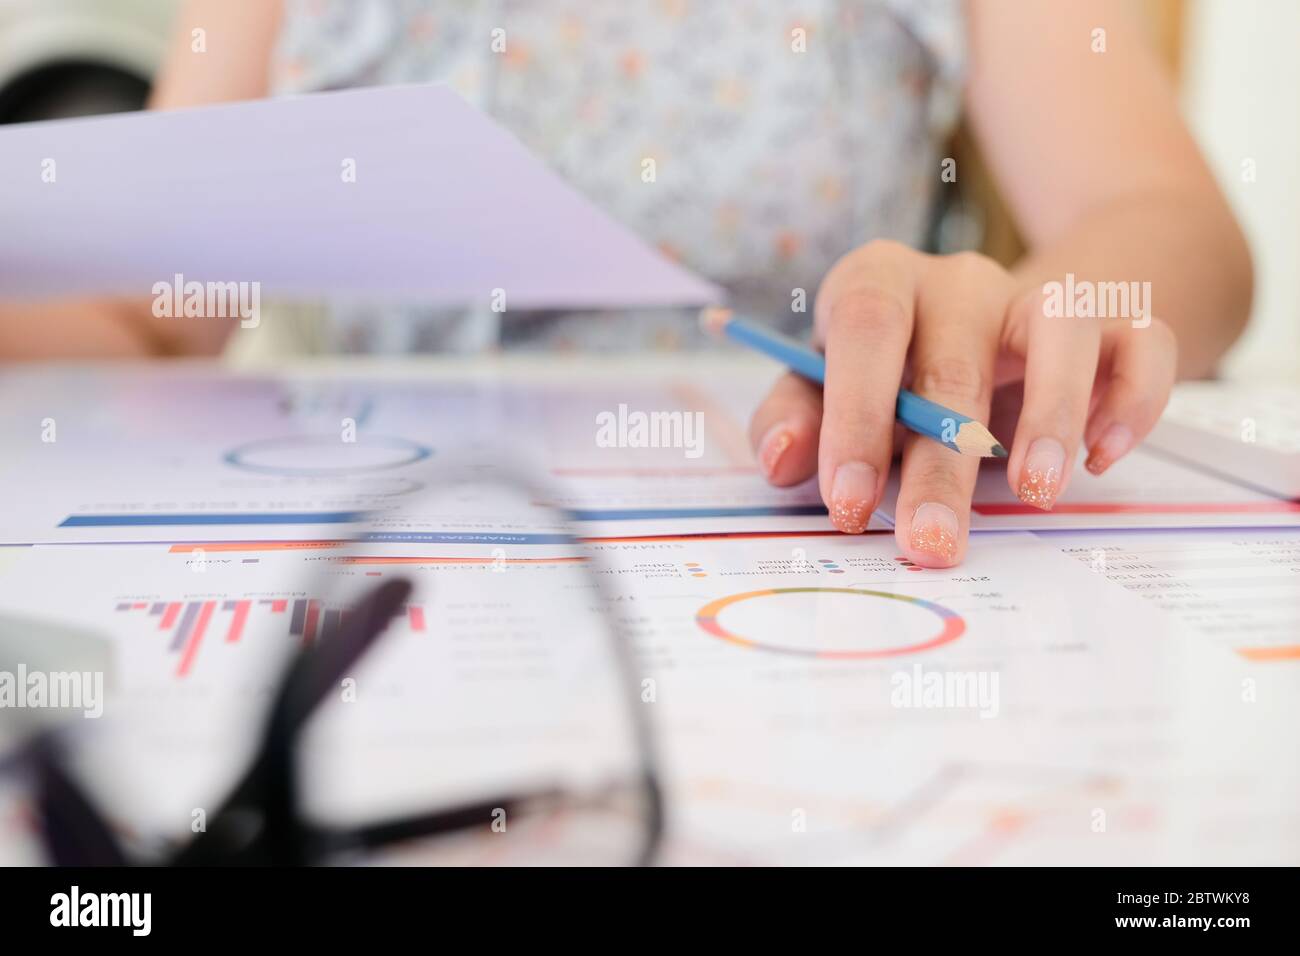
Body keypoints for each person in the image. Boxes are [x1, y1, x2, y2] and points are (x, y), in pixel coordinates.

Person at [0, 0, 1252, 567]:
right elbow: (156, 308)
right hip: (411, 542)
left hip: (820, 523)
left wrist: (1022, 317)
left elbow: (1167, 223)